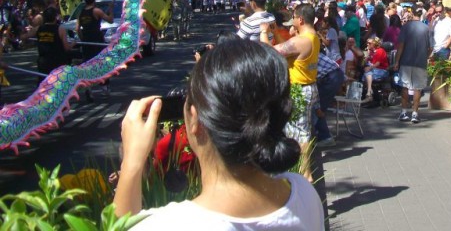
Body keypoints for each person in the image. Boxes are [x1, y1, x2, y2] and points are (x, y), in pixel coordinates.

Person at [113, 40, 324, 229]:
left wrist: (132, 162)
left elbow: (122, 225)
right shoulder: (304, 195)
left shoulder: (174, 224)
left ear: (195, 119)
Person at [272, 4, 320, 171]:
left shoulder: (302, 41)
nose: (292, 20)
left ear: (300, 19)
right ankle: (302, 170)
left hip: (299, 89)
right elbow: (289, 50)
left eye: (293, 17)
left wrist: (265, 33)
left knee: (302, 133)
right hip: (308, 86)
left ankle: (305, 172)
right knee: (301, 129)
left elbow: (272, 52)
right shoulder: (313, 36)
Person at [394, 7, 432, 124]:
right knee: (418, 88)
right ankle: (415, 114)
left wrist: (396, 61)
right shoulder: (427, 29)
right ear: (421, 15)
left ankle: (404, 112)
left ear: (412, 14)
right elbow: (430, 48)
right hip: (420, 62)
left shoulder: (406, 27)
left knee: (405, 87)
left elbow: (400, 45)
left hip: (406, 61)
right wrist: (425, 57)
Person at [78, 0, 113, 101]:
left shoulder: (81, 13)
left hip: (86, 42)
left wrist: (82, 39)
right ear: (94, 0)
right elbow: (110, 20)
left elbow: (77, 29)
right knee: (102, 64)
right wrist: (111, 9)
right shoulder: (96, 11)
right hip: (97, 40)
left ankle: (89, 88)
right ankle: (104, 87)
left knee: (88, 64)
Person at [315, 51, 344, 148]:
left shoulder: (296, 46)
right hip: (332, 75)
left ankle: (325, 137)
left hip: (330, 77)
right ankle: (321, 134)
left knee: (317, 107)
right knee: (317, 106)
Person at [35, 6, 75, 74]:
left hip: (43, 62)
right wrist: (74, 43)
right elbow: (67, 48)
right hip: (57, 62)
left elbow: (24, 36)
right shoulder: (60, 29)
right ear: (55, 17)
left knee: (44, 82)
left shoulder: (39, 28)